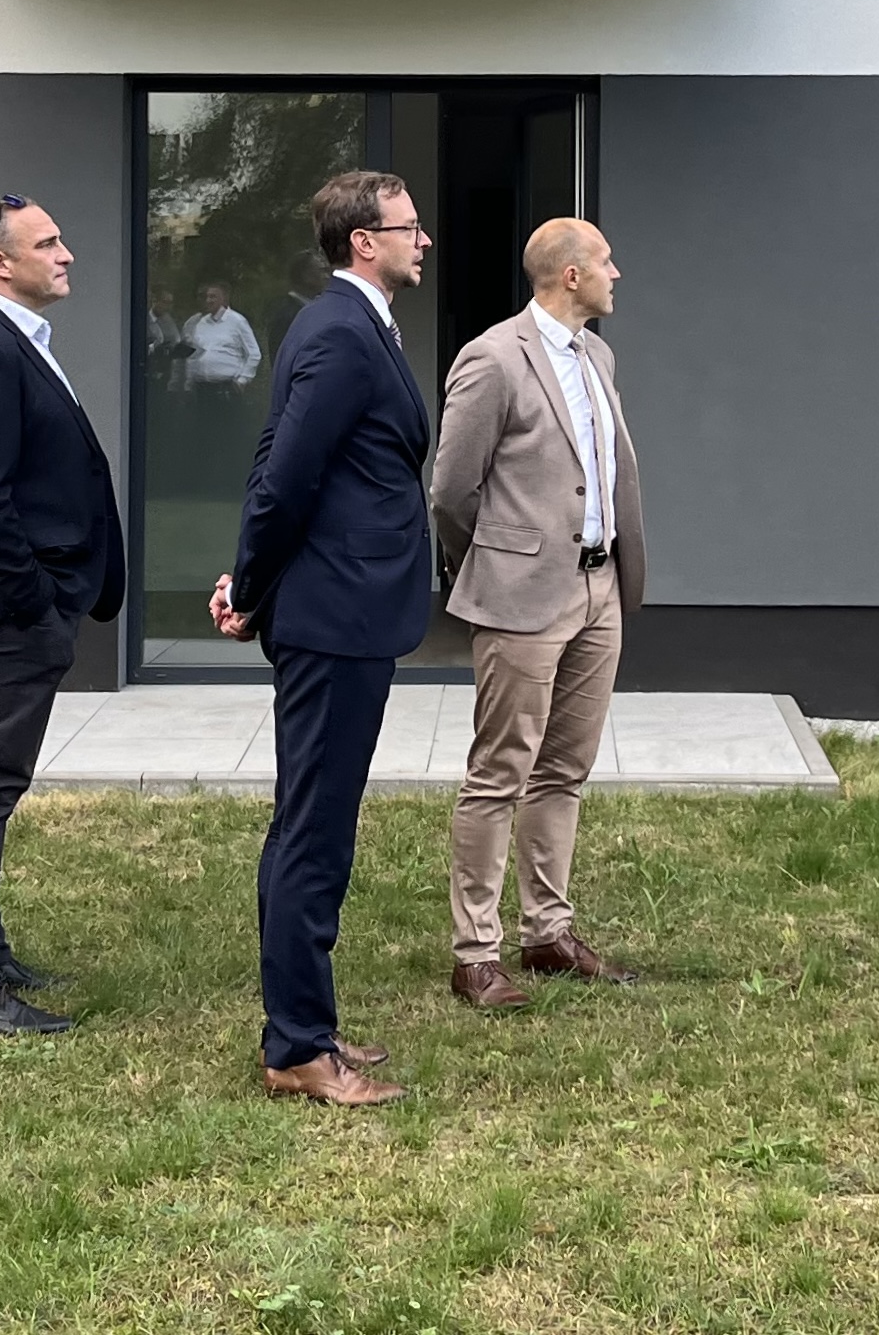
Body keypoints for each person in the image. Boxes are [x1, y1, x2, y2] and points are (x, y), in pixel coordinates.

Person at [208, 170, 436, 1108]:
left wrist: (247, 580)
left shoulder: (345, 324)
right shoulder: (340, 331)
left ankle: (306, 1027)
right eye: (409, 227)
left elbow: (282, 456)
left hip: (342, 609)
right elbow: (284, 477)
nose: (424, 240)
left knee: (309, 821)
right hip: (335, 614)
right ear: (363, 242)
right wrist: (251, 584)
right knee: (314, 829)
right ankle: (298, 1045)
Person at [427, 217, 647, 1008]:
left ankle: (548, 933)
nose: (618, 274)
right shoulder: (493, 359)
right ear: (570, 275)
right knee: (499, 774)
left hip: (599, 590)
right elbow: (451, 491)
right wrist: (497, 562)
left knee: (564, 770)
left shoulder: (598, 356)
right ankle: (475, 955)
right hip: (522, 596)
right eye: (606, 261)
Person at [0, 193, 125, 1037]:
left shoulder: (11, 340)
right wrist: (36, 601)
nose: (66, 253)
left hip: (26, 606)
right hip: (14, 612)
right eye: (48, 243)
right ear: (0, 262)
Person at [180, 282, 262, 392]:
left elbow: (254, 353)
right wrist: (189, 382)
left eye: (213, 297)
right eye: (207, 297)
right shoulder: (201, 324)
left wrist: (243, 380)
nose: (208, 300)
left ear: (223, 299)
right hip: (201, 387)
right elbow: (193, 354)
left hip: (226, 388)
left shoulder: (237, 321)